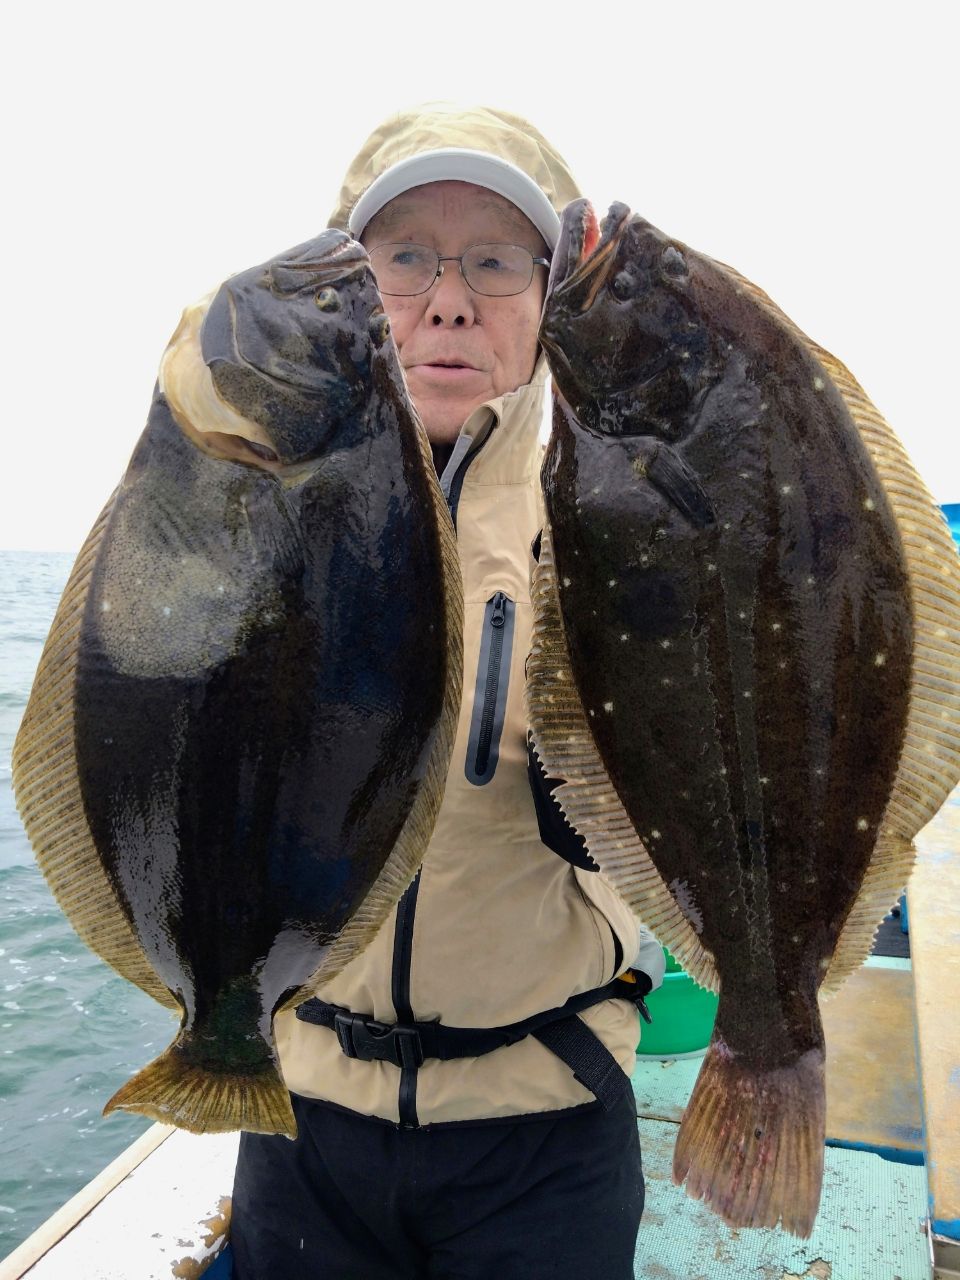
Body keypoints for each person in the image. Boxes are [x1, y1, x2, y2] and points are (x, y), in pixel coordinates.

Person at [230, 102, 665, 1280]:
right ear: (349, 287)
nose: (450, 299)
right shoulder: (258, 500)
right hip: (302, 1114)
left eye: (495, 261)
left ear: (553, 298)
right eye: (407, 258)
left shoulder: (625, 513)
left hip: (546, 1123)